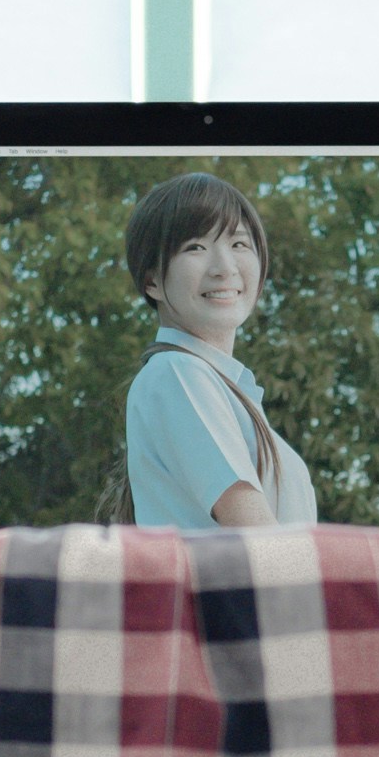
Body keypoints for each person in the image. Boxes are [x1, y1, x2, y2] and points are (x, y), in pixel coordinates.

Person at [118, 172, 318, 532]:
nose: (225, 268)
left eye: (239, 245)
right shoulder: (176, 372)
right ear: (152, 282)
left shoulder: (219, 385)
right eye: (195, 247)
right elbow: (255, 533)